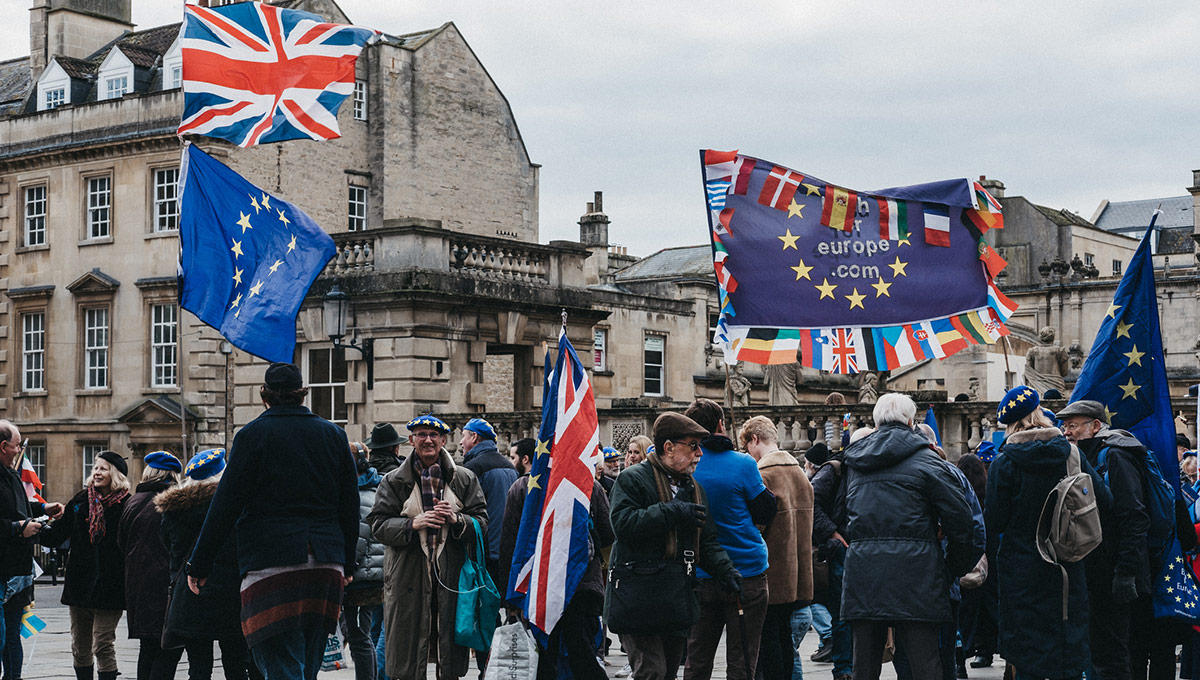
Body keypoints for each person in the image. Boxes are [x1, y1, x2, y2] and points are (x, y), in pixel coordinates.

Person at [185, 363, 360, 680]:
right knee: (306, 668)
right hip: (326, 566)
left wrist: (199, 563)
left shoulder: (252, 435)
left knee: (280, 666)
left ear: (264, 394)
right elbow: (349, 505)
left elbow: (225, 505)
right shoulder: (334, 435)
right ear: (302, 394)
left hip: (272, 564)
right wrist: (347, 563)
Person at [840, 393, 978, 680]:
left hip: (864, 574)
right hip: (918, 574)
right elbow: (963, 523)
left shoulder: (854, 463)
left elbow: (845, 516)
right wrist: (952, 568)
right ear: (910, 421)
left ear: (876, 422)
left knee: (863, 667)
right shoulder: (930, 462)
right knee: (924, 665)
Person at [608, 412, 741, 680]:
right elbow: (622, 525)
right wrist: (671, 511)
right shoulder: (633, 478)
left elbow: (707, 540)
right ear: (668, 447)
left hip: (674, 596)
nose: (700, 453)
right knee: (652, 671)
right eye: (693, 445)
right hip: (638, 596)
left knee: (668, 672)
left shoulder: (694, 488)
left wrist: (726, 571)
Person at [986, 388, 1106, 680]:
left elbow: (995, 521)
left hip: (1023, 571)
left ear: (1011, 425)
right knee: (1067, 652)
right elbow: (1104, 502)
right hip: (1067, 565)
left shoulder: (1005, 462)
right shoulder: (1072, 455)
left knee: (1028, 658)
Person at [366, 414, 488, 680]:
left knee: (450, 659)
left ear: (444, 440)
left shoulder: (464, 479)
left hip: (451, 578)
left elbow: (482, 522)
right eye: (421, 435)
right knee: (408, 659)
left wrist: (457, 520)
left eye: (434, 435)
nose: (428, 440)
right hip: (408, 576)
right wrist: (413, 524)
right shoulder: (393, 481)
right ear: (411, 440)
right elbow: (377, 524)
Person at [499, 439, 614, 680]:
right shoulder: (588, 485)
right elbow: (607, 534)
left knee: (543, 653)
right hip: (580, 582)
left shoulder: (523, 487)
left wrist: (510, 594)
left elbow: (510, 544)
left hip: (536, 585)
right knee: (581, 651)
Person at [683, 398, 776, 680]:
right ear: (721, 425)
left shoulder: (686, 466)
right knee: (742, 659)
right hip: (746, 571)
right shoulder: (743, 464)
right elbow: (765, 509)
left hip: (701, 572)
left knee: (697, 659)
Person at [1057, 399, 1151, 680]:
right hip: (1100, 574)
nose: (1067, 432)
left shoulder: (1113, 457)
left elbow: (1134, 516)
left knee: (1113, 657)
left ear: (1096, 426)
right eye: (1064, 426)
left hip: (1116, 575)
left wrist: (1126, 572)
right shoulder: (1088, 457)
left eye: (1073, 425)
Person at [156, 448, 260, 680]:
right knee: (236, 662)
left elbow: (168, 547)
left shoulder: (173, 510)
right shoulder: (233, 506)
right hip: (231, 595)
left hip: (191, 594)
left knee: (199, 666)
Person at [41, 451, 132, 680]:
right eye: (95, 468)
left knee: (102, 644)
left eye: (104, 468)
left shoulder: (126, 505)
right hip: (80, 584)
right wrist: (32, 527)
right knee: (80, 648)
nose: (97, 472)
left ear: (116, 474)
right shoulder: (81, 501)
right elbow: (58, 534)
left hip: (110, 586)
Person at [741, 416, 814, 680]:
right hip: (797, 575)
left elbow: (756, 528)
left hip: (770, 573)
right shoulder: (800, 474)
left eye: (746, 445)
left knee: (768, 643)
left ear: (755, 440)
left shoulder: (763, 475)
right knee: (784, 638)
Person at [0, 421, 63, 678]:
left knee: (13, 637)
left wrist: (42, 509)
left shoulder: (11, 474)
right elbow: (14, 520)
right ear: (4, 447)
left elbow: (19, 507)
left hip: (18, 570)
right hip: (2, 570)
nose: (19, 451)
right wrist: (17, 528)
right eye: (17, 445)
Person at [116, 451, 182, 680]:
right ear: (170, 475)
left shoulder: (132, 502)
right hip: (165, 588)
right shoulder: (172, 503)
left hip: (138, 588)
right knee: (169, 650)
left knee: (147, 650)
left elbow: (121, 544)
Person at [809, 436, 852, 679]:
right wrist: (832, 533)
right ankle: (844, 668)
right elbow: (811, 501)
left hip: (862, 550)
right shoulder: (835, 469)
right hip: (842, 551)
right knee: (842, 612)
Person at [459, 418, 517, 595]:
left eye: (464, 436)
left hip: (484, 549)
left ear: (474, 437)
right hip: (508, 546)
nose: (460, 442)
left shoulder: (472, 468)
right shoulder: (510, 466)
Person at [343, 442, 385, 680]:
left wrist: (347, 566)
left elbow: (358, 538)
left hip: (361, 577)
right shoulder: (367, 488)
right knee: (362, 635)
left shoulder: (361, 494)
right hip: (365, 574)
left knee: (360, 637)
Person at [955, 454, 998, 672]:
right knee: (989, 609)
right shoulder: (989, 494)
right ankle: (985, 651)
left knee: (964, 612)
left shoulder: (958, 493)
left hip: (966, 559)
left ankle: (961, 657)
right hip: (991, 561)